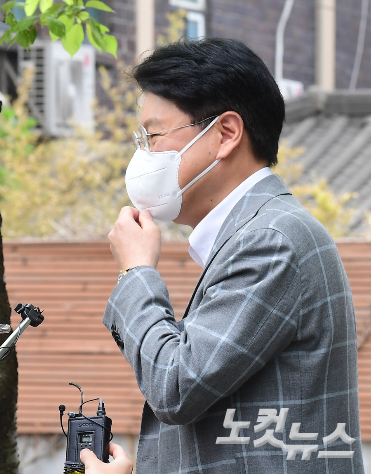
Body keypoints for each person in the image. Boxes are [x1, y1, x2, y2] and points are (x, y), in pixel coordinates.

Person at [103, 38, 363, 473]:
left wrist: (136, 272)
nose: (142, 156)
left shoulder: (271, 241)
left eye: (153, 136)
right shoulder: (259, 233)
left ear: (225, 134)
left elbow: (176, 386)